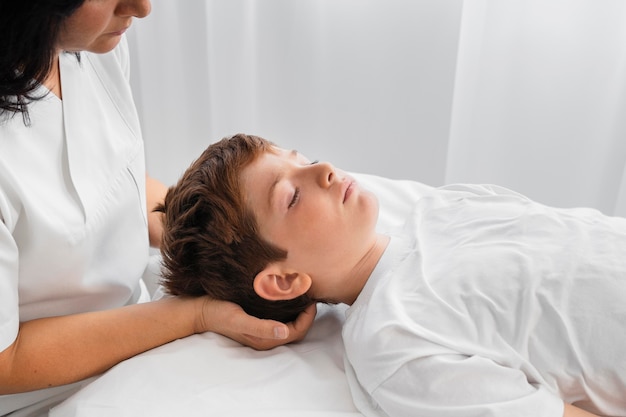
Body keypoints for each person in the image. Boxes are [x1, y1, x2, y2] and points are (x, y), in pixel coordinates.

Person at [158, 133, 626, 417]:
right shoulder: (394, 341)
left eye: (302, 159)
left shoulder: (440, 207)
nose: (322, 170)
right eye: (291, 195)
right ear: (283, 280)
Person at [0, 2, 316, 415]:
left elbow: (117, 184)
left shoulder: (94, 47)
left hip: (145, 337)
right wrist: (194, 315)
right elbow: (6, 361)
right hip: (45, 394)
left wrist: (225, 242)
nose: (143, 8)